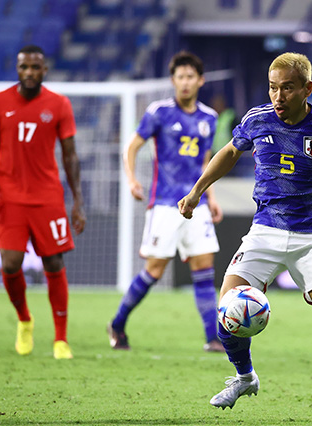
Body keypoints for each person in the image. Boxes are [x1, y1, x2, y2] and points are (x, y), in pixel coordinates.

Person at [178, 52, 312, 423]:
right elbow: (229, 152)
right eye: (273, 87)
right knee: (228, 310)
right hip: (266, 230)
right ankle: (245, 378)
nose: (278, 96)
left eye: (287, 88)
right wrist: (196, 193)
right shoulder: (256, 119)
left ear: (307, 88)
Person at [107, 51, 224, 353]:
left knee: (204, 268)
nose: (185, 82)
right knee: (154, 270)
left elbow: (206, 162)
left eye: (190, 77)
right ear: (173, 80)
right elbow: (131, 147)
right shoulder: (159, 112)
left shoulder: (209, 118)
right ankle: (117, 324)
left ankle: (213, 338)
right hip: (165, 203)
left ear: (200, 81)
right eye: (180, 77)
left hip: (196, 204)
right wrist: (132, 179)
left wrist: (211, 197)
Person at [0, 45, 86, 360]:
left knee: (54, 263)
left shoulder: (59, 104)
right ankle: (25, 319)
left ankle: (61, 339)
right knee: (10, 264)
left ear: (44, 70)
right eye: (24, 66)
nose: (29, 72)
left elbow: (70, 155)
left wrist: (77, 201)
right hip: (10, 198)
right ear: (17, 68)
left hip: (47, 197)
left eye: (35, 67)